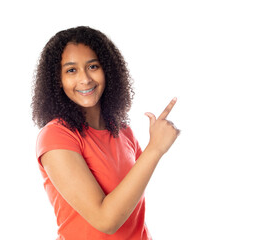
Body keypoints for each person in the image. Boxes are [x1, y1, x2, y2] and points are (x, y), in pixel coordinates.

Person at [31, 26, 180, 240]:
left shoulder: (123, 131)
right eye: (71, 70)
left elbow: (131, 208)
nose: (85, 79)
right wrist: (155, 149)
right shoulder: (56, 136)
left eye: (93, 66)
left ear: (107, 69)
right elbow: (106, 221)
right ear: (57, 81)